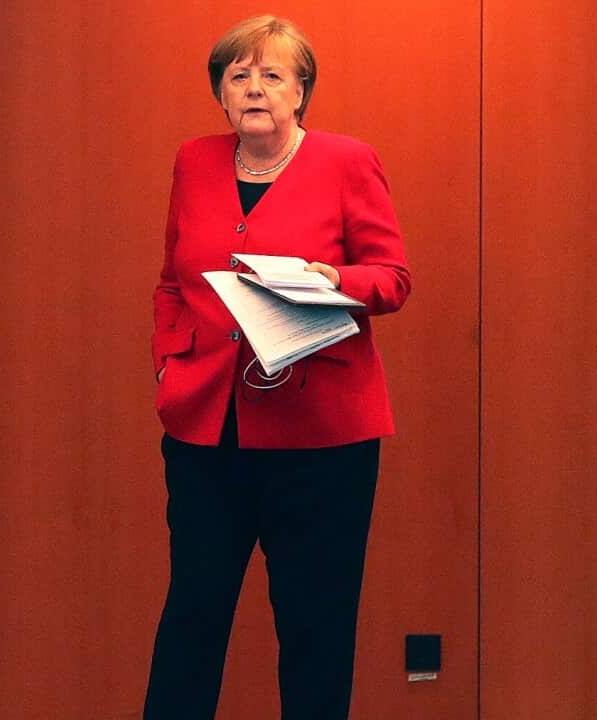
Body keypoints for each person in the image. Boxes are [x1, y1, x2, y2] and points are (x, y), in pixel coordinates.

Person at [144, 14, 411, 720]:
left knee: (315, 626)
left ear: (302, 92)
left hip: (323, 441)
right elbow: (173, 281)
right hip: (207, 431)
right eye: (239, 75)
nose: (254, 88)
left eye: (272, 75)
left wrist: (335, 281)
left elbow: (393, 279)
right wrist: (169, 363)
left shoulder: (348, 161)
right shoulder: (194, 160)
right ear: (220, 93)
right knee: (193, 614)